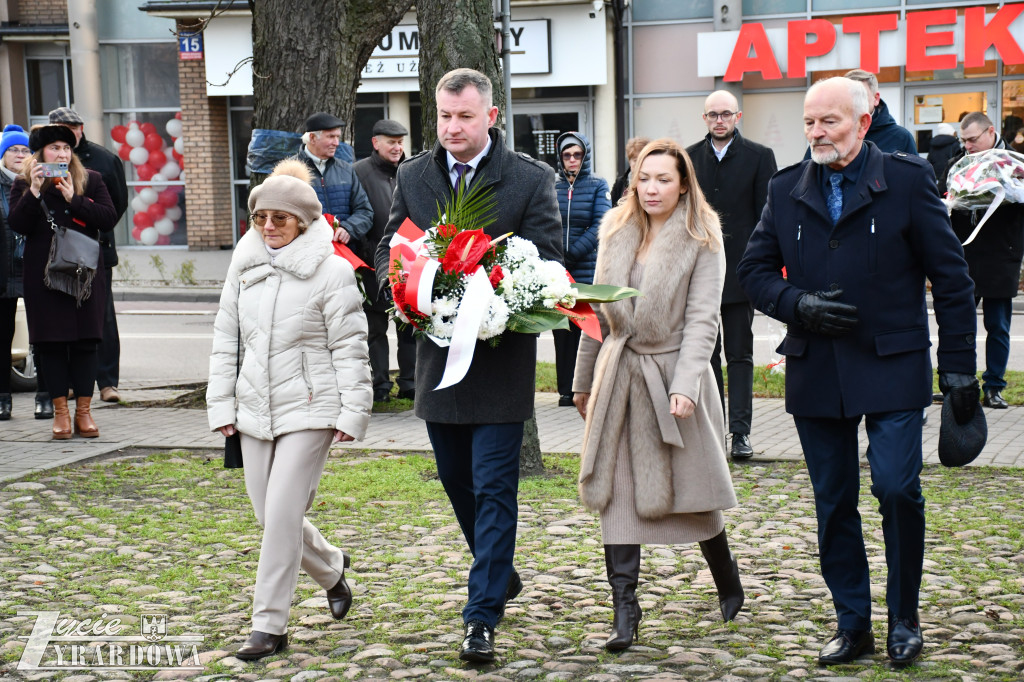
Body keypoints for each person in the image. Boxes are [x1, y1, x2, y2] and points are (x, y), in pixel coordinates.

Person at [737, 77, 978, 666]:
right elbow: (754, 271)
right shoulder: (786, 187)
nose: (817, 133)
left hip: (893, 364)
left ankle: (904, 619)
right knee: (834, 501)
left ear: (863, 122)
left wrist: (958, 371)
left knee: (896, 488)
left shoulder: (907, 180)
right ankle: (853, 623)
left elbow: (952, 280)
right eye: (809, 122)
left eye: (830, 122)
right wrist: (797, 304)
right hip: (817, 368)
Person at [374, 68, 562, 663]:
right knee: (457, 480)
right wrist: (401, 287)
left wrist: (494, 294)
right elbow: (389, 247)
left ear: (491, 117)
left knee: (495, 486)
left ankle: (481, 617)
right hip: (436, 360)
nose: (452, 128)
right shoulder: (414, 175)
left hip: (501, 362)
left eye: (465, 117)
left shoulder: (530, 179)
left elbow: (548, 262)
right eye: (444, 116)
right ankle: (499, 571)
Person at [572, 138, 742, 651]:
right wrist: (583, 379)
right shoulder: (615, 228)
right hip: (619, 375)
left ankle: (726, 575)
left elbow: (703, 320)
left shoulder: (702, 236)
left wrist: (686, 384)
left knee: (693, 492)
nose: (651, 188)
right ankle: (625, 607)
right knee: (617, 493)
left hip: (673, 375)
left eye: (663, 179)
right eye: (643, 178)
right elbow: (597, 309)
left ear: (683, 184)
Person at [207, 159, 372, 661]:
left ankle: (268, 626)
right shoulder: (244, 265)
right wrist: (221, 402)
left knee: (281, 514)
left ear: (302, 221)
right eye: (261, 217)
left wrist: (353, 411)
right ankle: (331, 567)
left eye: (279, 218)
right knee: (270, 515)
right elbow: (226, 336)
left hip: (312, 407)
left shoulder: (333, 269)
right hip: (254, 406)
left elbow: (350, 346)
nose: (268, 226)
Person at [7, 124, 117, 439]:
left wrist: (75, 199)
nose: (62, 154)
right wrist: (35, 190)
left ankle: (84, 412)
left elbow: (108, 217)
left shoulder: (90, 179)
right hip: (44, 277)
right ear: (41, 153)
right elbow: (18, 224)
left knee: (85, 343)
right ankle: (61, 414)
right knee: (51, 345)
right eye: (55, 148)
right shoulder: (24, 182)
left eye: (66, 148)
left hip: (83, 276)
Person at [686, 90, 777, 460]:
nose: (719, 120)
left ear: (737, 117)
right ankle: (712, 429)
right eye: (713, 114)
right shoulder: (689, 158)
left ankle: (740, 433)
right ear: (704, 118)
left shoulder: (759, 156)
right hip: (700, 273)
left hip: (741, 272)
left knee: (740, 355)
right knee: (705, 355)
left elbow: (767, 217)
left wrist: (762, 266)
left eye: (726, 114)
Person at [939, 112, 1024, 410]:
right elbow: (941, 195)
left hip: (1001, 254)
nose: (968, 146)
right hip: (963, 255)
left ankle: (994, 387)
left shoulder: (1015, 163)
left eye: (972, 139)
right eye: (963, 140)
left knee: (997, 326)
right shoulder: (957, 162)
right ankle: (958, 383)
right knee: (958, 324)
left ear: (991, 132)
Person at [48, 107, 128, 404]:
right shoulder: (44, 162)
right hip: (58, 251)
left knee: (102, 318)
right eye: (58, 129)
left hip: (96, 249)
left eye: (70, 128)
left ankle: (107, 382)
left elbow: (117, 204)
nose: (66, 136)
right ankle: (70, 383)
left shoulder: (104, 159)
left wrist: (94, 222)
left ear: (80, 129)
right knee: (64, 318)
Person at [353, 119, 416, 402]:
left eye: (400, 142)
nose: (397, 147)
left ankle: (410, 383)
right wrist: (366, 254)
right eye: (391, 142)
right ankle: (380, 385)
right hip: (371, 263)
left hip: (408, 263)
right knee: (375, 328)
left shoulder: (410, 171)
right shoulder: (359, 173)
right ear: (376, 143)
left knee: (409, 326)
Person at [553, 131, 611, 406]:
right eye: (567, 155)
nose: (572, 159)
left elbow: (601, 223)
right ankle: (566, 390)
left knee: (586, 328)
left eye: (577, 154)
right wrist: (557, 256)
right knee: (562, 329)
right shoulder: (552, 186)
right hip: (558, 270)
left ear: (585, 156)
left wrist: (574, 253)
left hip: (586, 266)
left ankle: (587, 387)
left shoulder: (598, 184)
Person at [292, 112, 373, 252]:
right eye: (331, 137)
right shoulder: (289, 172)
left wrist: (348, 229)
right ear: (312, 138)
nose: (336, 143)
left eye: (337, 137)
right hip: (305, 253)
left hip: (345, 254)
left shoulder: (346, 170)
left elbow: (365, 211)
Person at [1, 125, 33, 420]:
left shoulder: (39, 182)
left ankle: (47, 396)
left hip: (34, 269)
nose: (19, 155)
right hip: (3, 271)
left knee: (42, 336)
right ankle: (2, 398)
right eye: (13, 149)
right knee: (3, 336)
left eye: (25, 150)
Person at [610, 136, 650, 206]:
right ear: (629, 161)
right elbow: (611, 207)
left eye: (642, 159)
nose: (639, 163)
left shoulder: (653, 183)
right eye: (635, 160)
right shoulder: (620, 183)